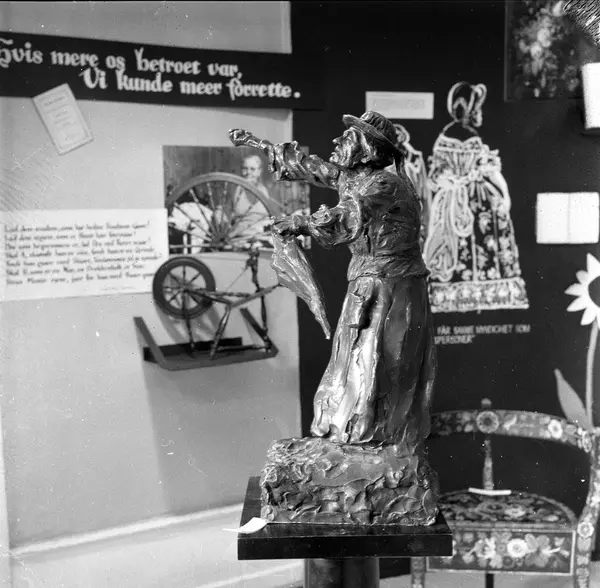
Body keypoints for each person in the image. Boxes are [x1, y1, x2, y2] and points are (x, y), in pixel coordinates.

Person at [229, 111, 437, 453]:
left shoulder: (384, 185)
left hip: (392, 289)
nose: (338, 141)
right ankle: (353, 434)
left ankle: (376, 440)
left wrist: (301, 223)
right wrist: (260, 145)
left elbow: (349, 215)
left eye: (349, 137)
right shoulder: (352, 177)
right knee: (356, 359)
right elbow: (312, 167)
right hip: (370, 284)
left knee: (378, 361)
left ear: (367, 151)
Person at [423, 82, 529, 313]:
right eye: (477, 108)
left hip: (450, 198)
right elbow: (489, 171)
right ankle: (484, 292)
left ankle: (454, 295)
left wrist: (451, 182)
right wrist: (504, 195)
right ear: (469, 108)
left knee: (462, 241)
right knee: (479, 240)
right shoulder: (471, 136)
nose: (479, 113)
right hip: (476, 198)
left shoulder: (444, 137)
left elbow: (435, 177)